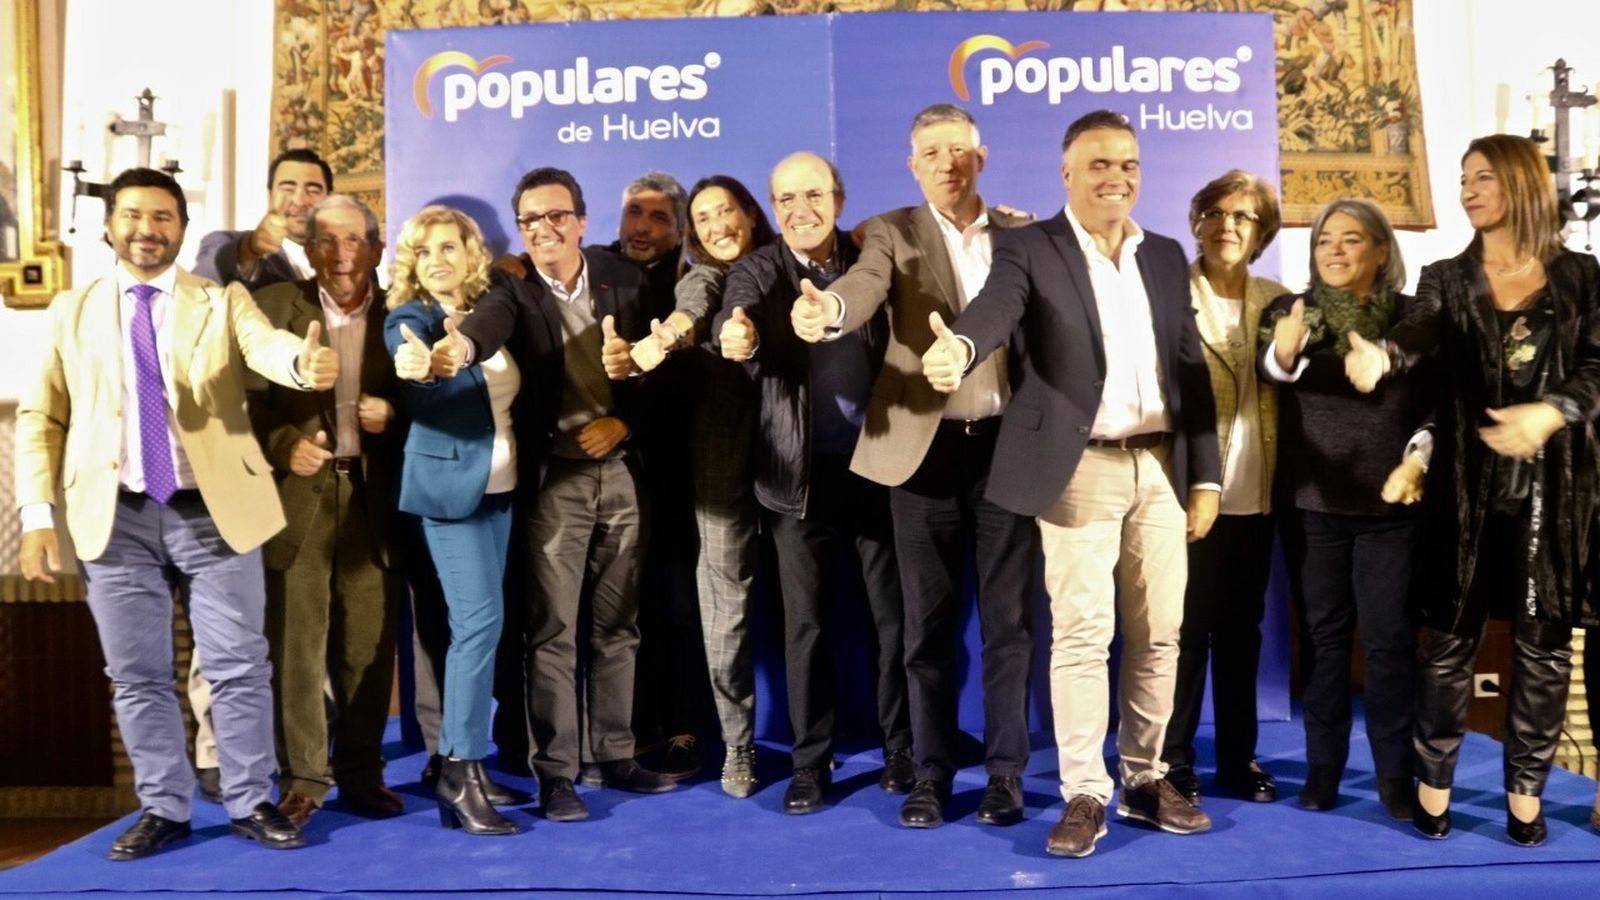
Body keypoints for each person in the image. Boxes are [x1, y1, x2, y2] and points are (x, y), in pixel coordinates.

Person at [920, 110, 1218, 857]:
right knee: (1084, 635)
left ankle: (1146, 780)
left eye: (1128, 165)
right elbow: (995, 310)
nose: (1115, 178)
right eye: (1098, 165)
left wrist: (1206, 474)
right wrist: (958, 344)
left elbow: (1190, 368)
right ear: (1066, 173)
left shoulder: (1165, 256)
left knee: (1161, 635)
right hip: (1077, 464)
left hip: (1159, 467)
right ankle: (1086, 791)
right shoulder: (1030, 248)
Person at [15, 167, 335, 858]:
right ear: (110, 226)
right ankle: (165, 806)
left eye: (162, 217)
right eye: (132, 215)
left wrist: (305, 366)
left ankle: (251, 801)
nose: (146, 229)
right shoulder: (71, 311)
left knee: (240, 665)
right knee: (136, 674)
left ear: (182, 229)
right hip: (115, 517)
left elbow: (267, 350)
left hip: (213, 512)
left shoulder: (221, 302)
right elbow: (42, 415)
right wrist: (37, 514)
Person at [790, 104, 1037, 829]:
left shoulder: (1025, 233)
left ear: (981, 158)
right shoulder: (890, 232)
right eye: (931, 151)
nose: (946, 162)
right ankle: (930, 774)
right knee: (924, 631)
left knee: (1008, 629)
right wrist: (828, 312)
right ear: (912, 164)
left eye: (959, 149)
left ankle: (1005, 777)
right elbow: (863, 286)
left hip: (1003, 452)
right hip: (920, 458)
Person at [1358, 134, 1600, 847]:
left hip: (1556, 493)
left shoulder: (1584, 277)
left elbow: (1597, 367)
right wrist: (1383, 354)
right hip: (1465, 487)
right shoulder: (1445, 276)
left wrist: (1551, 411)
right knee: (1448, 645)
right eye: (1463, 178)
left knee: (1544, 649)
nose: (1468, 189)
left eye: (1483, 177)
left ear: (1523, 185)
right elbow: (1421, 334)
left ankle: (1526, 800)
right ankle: (1434, 789)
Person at [450, 167, 675, 823]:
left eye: (555, 216)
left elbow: (669, 376)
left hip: (624, 471)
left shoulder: (626, 282)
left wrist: (627, 417)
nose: (543, 229)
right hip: (558, 479)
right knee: (552, 633)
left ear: (580, 220)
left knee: (618, 627)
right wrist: (457, 346)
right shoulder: (511, 289)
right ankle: (557, 774)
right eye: (530, 220)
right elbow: (484, 327)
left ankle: (615, 754)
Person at [714, 151, 914, 815]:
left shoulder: (870, 257)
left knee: (893, 621)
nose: (801, 210)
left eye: (814, 195)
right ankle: (810, 764)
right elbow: (734, 314)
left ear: (838, 197)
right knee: (806, 629)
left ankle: (902, 751)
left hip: (878, 469)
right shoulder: (759, 268)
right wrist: (735, 335)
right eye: (786, 199)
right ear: (772, 210)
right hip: (794, 480)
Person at [608, 174, 777, 797]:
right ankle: (737, 746)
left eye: (725, 211)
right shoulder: (699, 275)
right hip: (718, 462)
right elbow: (691, 307)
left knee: (811, 609)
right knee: (723, 602)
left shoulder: (787, 264)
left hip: (800, 458)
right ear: (693, 233)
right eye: (704, 218)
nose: (717, 226)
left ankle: (822, 746)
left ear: (750, 215)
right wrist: (666, 337)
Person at [1259, 197, 1424, 820]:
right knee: (1323, 642)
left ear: (1381, 250)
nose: (1334, 249)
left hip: (1392, 510)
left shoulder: (1412, 319)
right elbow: (1272, 367)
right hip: (1313, 506)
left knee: (1386, 644)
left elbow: (1436, 405)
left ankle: (1393, 777)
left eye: (1351, 239)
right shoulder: (1289, 311)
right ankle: (1322, 770)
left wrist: (1419, 460)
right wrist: (1285, 352)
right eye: (1325, 239)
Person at [247, 194, 402, 828]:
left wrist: (392, 417)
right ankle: (304, 779)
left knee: (368, 646)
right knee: (297, 648)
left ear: (377, 248)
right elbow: (243, 409)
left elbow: (447, 400)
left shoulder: (406, 313)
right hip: (298, 501)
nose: (342, 255)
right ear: (308, 250)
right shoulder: (273, 310)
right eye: (327, 242)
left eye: (355, 240)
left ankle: (362, 772)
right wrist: (285, 446)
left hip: (375, 500)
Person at [188, 148, 336, 797]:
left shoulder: (331, 260)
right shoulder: (231, 248)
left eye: (313, 186)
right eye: (288, 185)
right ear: (269, 190)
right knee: (226, 619)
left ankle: (298, 740)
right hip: (230, 458)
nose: (300, 197)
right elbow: (218, 282)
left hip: (298, 469)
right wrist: (256, 243)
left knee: (293, 622)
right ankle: (215, 746)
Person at [384, 204, 521, 836]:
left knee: (486, 629)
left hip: (502, 489)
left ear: (472, 253)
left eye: (449, 247)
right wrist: (419, 365)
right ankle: (460, 770)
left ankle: (469, 764)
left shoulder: (494, 311)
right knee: (477, 625)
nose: (438, 260)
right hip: (446, 492)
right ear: (411, 264)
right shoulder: (409, 319)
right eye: (425, 251)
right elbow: (410, 362)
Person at [1161, 170, 1288, 806]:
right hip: (1186, 495)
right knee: (1182, 632)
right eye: (1214, 212)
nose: (1227, 226)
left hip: (1256, 498)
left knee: (1243, 631)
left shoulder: (1281, 300)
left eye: (1243, 217)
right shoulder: (1168, 292)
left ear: (1260, 231)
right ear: (1196, 222)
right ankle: (1174, 762)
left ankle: (1238, 760)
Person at [193, 148, 333, 291]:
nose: (300, 201)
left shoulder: (347, 255)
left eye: (314, 191)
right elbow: (203, 286)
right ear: (270, 195)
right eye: (288, 189)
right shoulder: (225, 242)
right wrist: (250, 249)